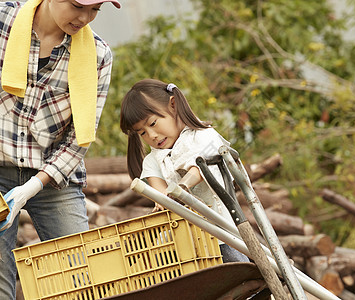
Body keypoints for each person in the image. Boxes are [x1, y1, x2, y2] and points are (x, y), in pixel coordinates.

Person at [0, 0, 121, 298]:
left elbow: (79, 138)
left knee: (82, 277)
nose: (84, 18)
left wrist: (32, 186)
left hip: (52, 178)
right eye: (77, 5)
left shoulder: (98, 54)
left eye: (95, 10)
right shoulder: (3, 21)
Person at [120, 78, 250, 263]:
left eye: (153, 123)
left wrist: (181, 187)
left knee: (237, 272)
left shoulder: (204, 135)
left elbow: (199, 169)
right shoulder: (153, 160)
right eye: (142, 133)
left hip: (223, 237)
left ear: (173, 105)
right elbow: (159, 192)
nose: (152, 135)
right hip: (183, 246)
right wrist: (163, 200)